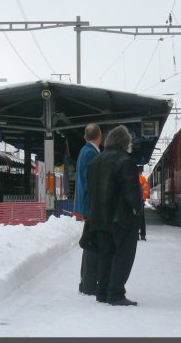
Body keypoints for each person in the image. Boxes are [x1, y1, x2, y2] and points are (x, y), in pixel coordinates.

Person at [87, 125, 143, 306]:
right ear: (125, 142)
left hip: (98, 217)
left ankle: (102, 292)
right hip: (120, 219)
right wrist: (136, 211)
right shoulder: (126, 161)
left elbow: (91, 190)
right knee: (123, 256)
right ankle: (116, 293)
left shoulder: (95, 161)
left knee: (105, 255)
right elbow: (131, 192)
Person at [73, 123, 102, 296]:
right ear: (100, 135)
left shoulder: (85, 151)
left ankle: (86, 282)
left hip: (87, 203)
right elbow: (91, 180)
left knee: (89, 243)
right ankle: (89, 284)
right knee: (92, 245)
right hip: (91, 204)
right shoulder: (91, 153)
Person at [138, 170, 150, 241]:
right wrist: (143, 199)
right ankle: (142, 235)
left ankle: (136, 235)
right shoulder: (143, 178)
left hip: (134, 201)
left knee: (134, 218)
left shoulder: (130, 178)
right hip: (140, 201)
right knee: (142, 219)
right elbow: (146, 190)